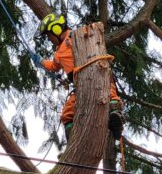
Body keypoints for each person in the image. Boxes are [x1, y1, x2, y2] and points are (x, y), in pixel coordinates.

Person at [33, 13, 124, 141]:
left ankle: (115, 116)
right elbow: (54, 66)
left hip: (98, 72)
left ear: (56, 29)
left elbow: (94, 36)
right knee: (67, 114)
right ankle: (73, 137)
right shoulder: (58, 52)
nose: (49, 39)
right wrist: (41, 61)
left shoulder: (77, 35)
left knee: (109, 92)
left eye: (49, 35)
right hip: (80, 84)